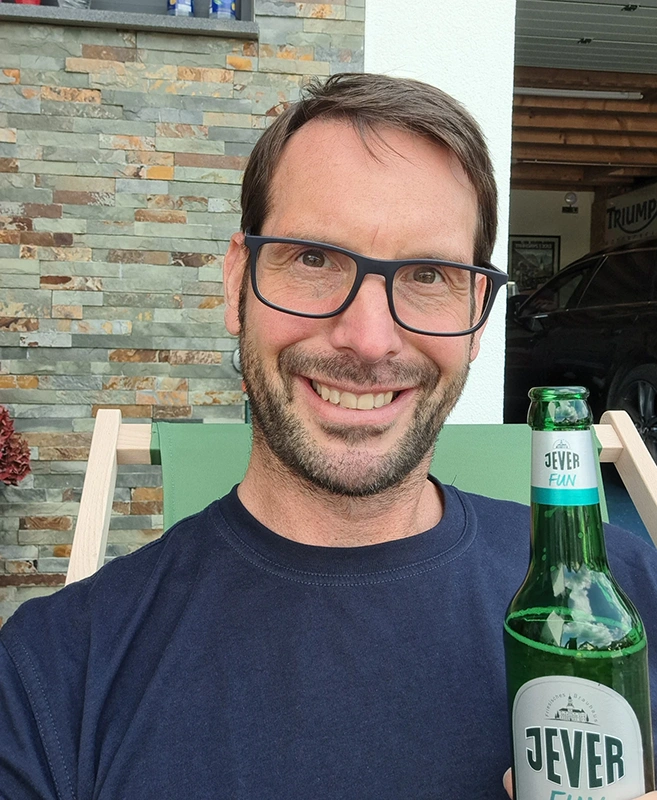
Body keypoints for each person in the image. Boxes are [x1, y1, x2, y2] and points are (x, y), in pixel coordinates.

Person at [1, 73, 657, 800]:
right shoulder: (54, 673)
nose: (370, 340)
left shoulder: (620, 603)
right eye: (313, 258)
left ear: (475, 313)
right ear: (235, 282)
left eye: (428, 274)